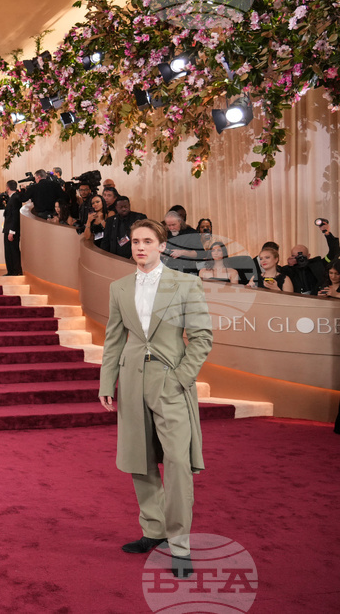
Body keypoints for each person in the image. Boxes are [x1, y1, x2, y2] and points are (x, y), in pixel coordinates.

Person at [98, 219, 213, 580]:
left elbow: (202, 337)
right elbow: (113, 338)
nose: (140, 247)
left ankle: (180, 546)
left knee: (177, 462)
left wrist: (181, 378)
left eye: (148, 241)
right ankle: (153, 530)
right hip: (132, 380)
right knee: (140, 460)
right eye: (136, 241)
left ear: (162, 246)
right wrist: (107, 381)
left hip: (170, 383)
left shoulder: (186, 284)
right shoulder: (119, 287)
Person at [2, 180, 23, 276]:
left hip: (11, 229)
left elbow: (15, 216)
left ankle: (14, 271)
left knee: (12, 251)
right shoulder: (14, 198)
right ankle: (12, 271)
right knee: (10, 251)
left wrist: (12, 231)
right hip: (10, 228)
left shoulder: (15, 198)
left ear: (7, 188)